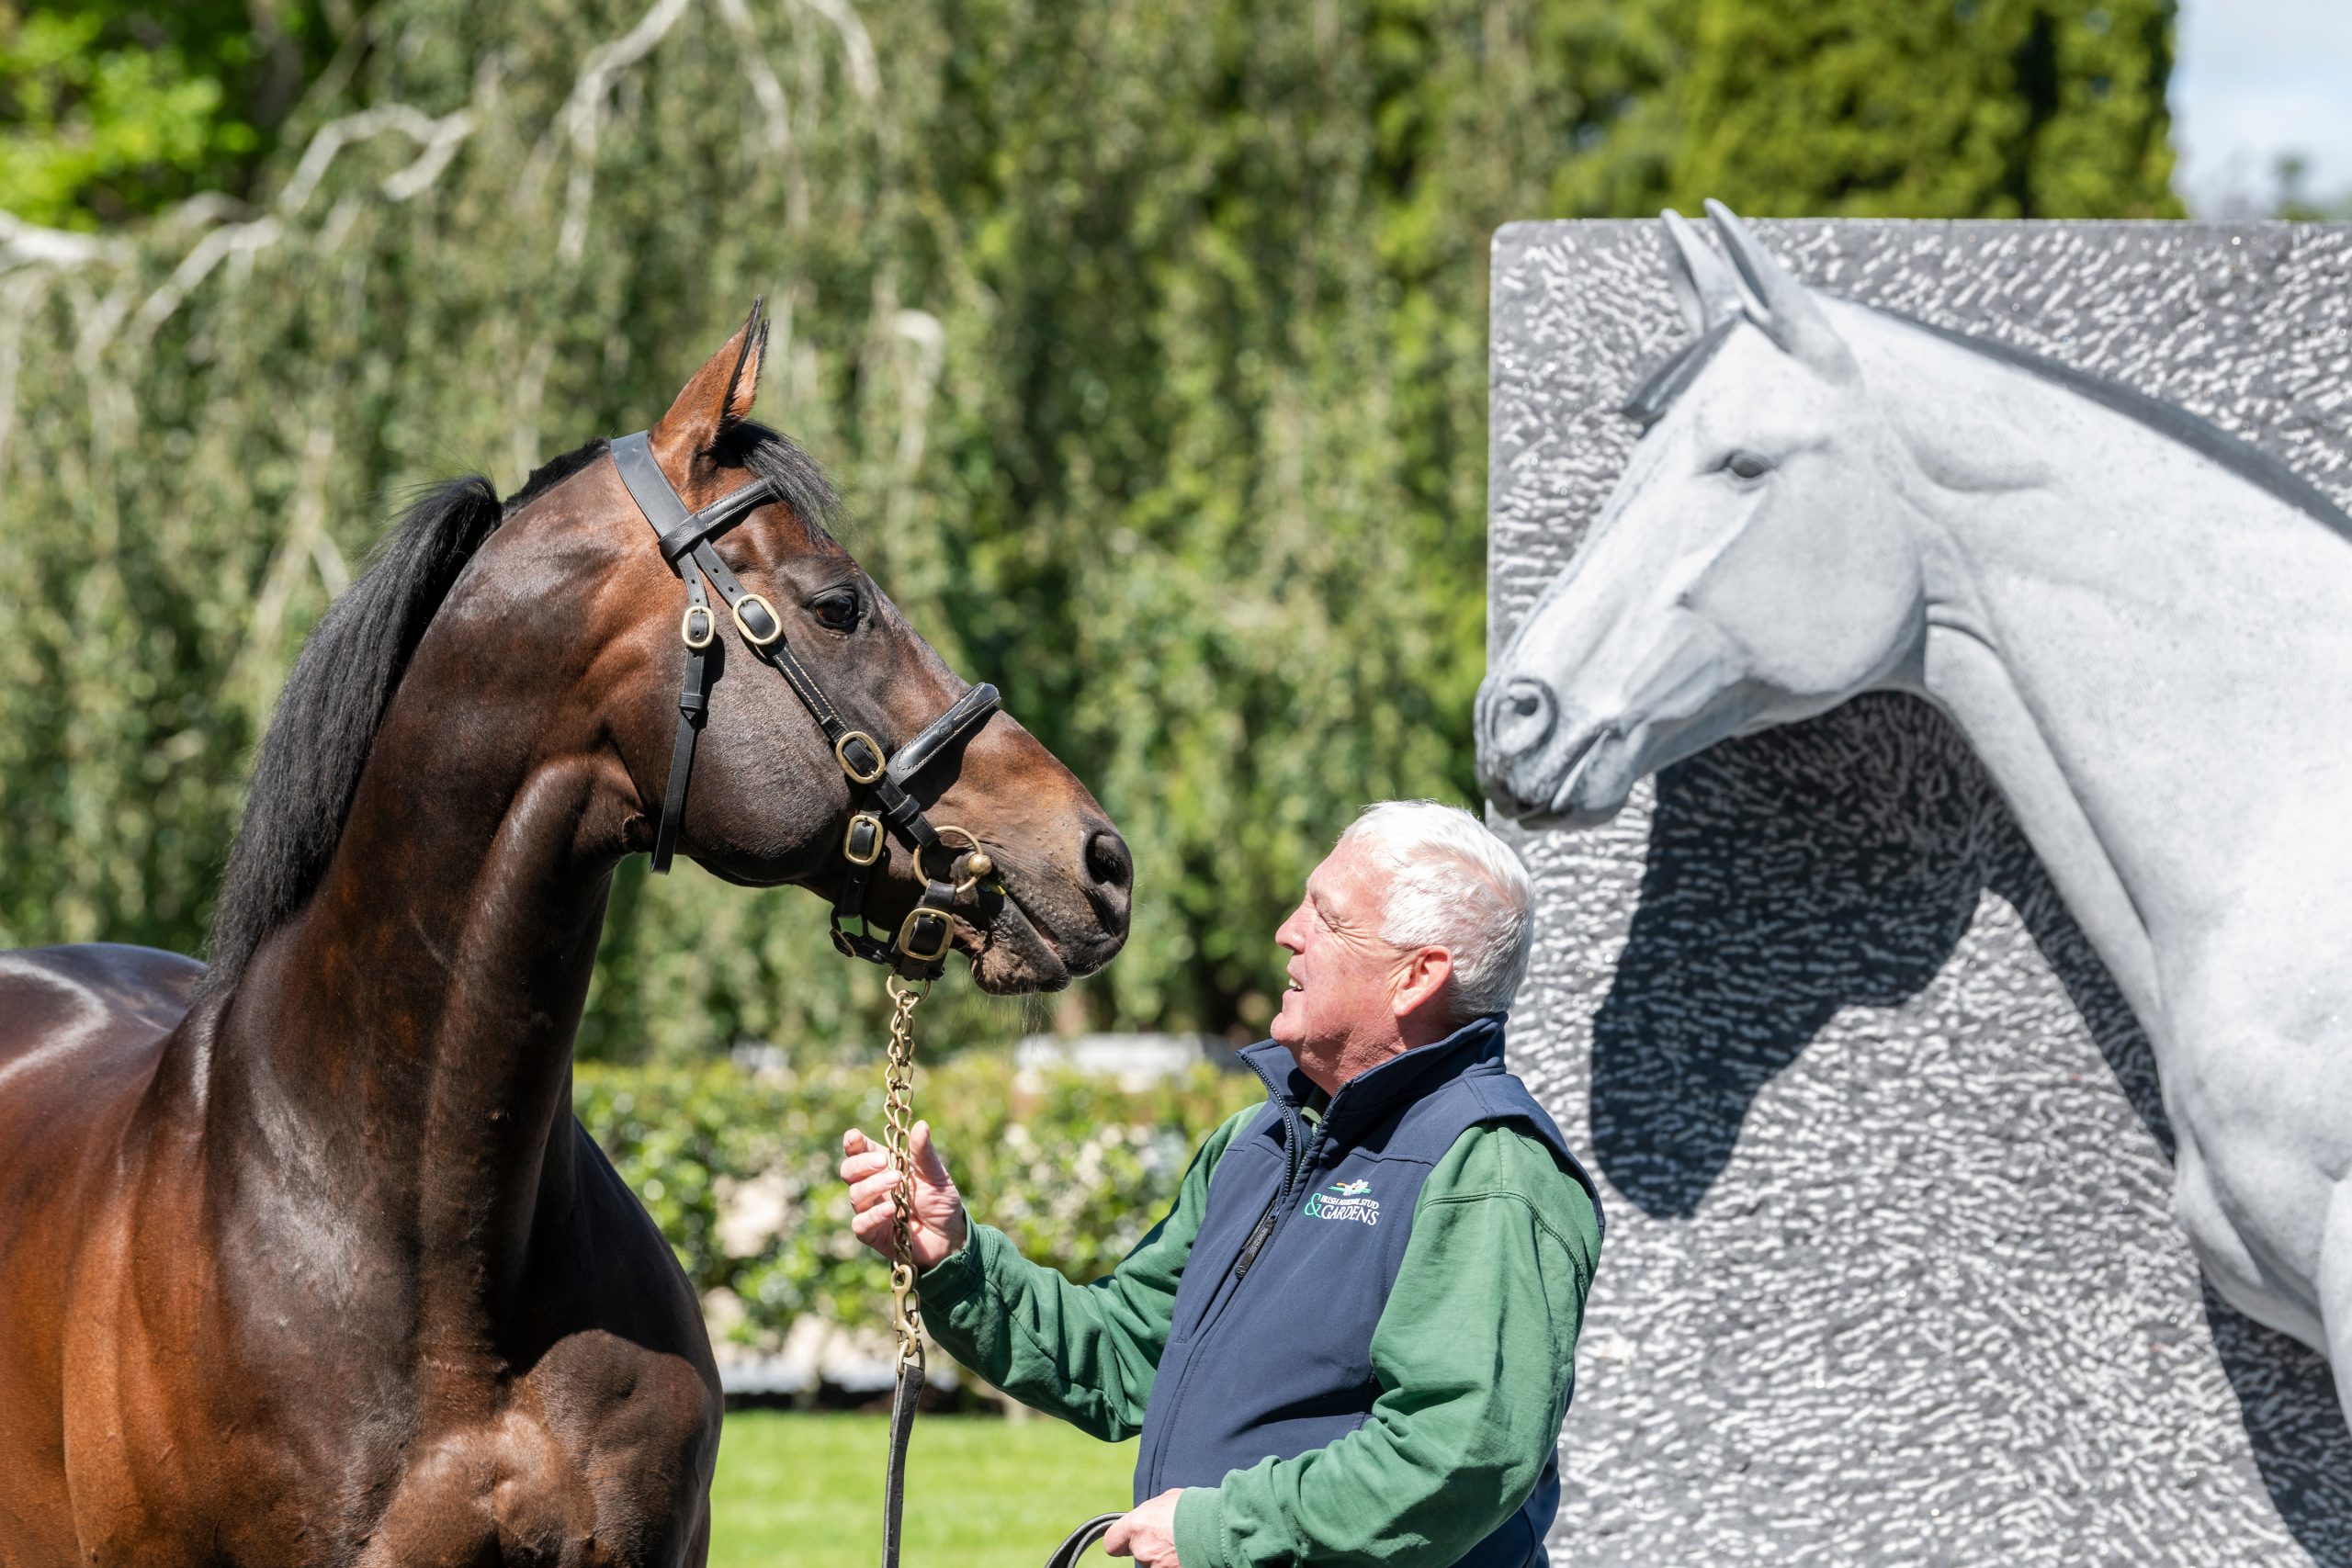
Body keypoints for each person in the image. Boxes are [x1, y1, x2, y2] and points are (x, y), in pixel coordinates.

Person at [839, 800, 1602, 1568]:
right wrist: (955, 1260)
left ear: (1417, 976)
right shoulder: (1259, 1140)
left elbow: (1455, 1457)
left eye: (1326, 917)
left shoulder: (1491, 1166)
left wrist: (1219, 1531)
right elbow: (1123, 1355)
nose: (1287, 931)